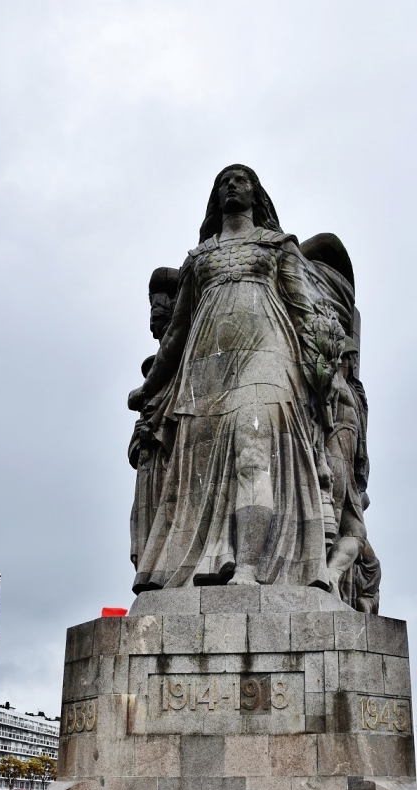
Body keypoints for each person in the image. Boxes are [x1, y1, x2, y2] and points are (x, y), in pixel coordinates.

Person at [128, 165, 343, 591]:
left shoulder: (278, 246)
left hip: (269, 355)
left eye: (240, 180)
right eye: (223, 181)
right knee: (201, 472)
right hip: (205, 365)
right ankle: (199, 564)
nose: (231, 186)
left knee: (253, 452)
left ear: (255, 193)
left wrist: (322, 369)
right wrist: (150, 389)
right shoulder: (198, 259)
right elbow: (176, 332)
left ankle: (248, 567)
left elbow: (303, 309)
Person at [129, 267, 179, 569]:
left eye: (158, 318)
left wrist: (157, 431)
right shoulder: (149, 404)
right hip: (150, 469)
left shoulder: (182, 370)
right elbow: (132, 450)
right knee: (145, 530)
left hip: (172, 464)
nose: (153, 330)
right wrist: (142, 436)